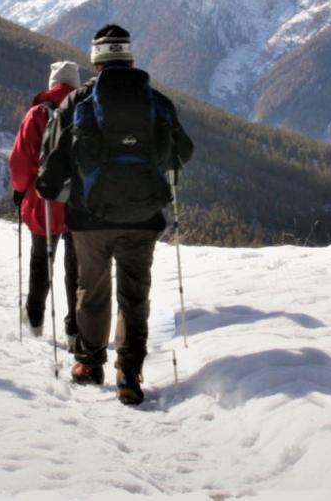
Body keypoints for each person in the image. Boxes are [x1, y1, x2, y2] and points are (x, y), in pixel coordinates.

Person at [36, 24, 193, 405]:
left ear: (95, 63)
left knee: (91, 290)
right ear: (131, 59)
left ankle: (90, 362)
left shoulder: (76, 103)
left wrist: (53, 190)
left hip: (90, 217)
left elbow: (52, 162)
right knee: (134, 295)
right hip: (143, 217)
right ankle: (129, 370)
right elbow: (183, 151)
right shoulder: (156, 101)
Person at [9, 60, 81, 346]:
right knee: (76, 266)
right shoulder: (87, 109)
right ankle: (76, 328)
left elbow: (20, 159)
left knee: (41, 261)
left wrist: (20, 190)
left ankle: (35, 320)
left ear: (52, 84)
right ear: (76, 84)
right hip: (79, 201)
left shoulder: (38, 113)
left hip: (44, 201)